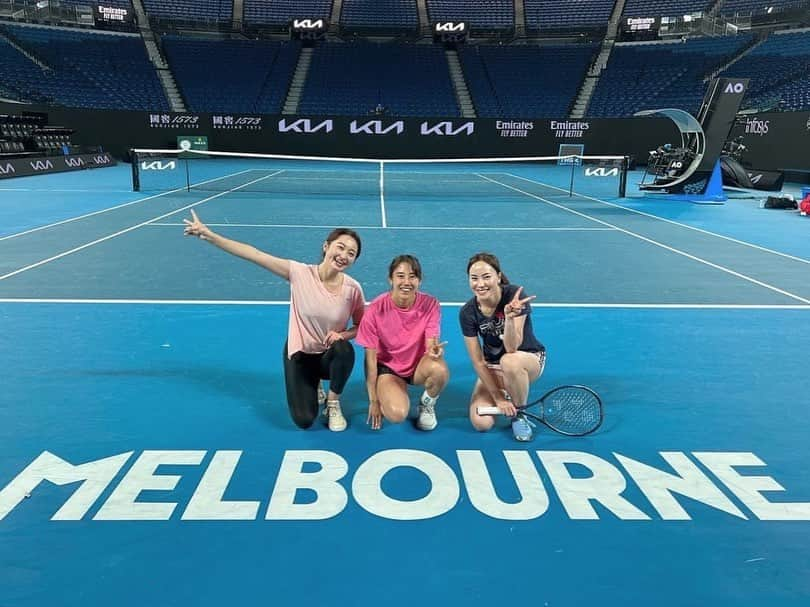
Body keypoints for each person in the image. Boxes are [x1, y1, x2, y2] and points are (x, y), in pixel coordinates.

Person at [183, 209, 365, 431]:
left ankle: (333, 403)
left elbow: (361, 325)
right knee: (304, 420)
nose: (344, 255)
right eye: (341, 247)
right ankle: (312, 381)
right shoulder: (299, 273)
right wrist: (209, 235)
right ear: (326, 246)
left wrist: (343, 335)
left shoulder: (353, 289)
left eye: (351, 253)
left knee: (345, 350)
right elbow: (255, 254)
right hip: (301, 355)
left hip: (329, 355)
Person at [356, 254, 449, 431]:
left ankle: (426, 404)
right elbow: (370, 361)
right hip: (389, 368)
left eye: (412, 276)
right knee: (397, 415)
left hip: (417, 365)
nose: (406, 282)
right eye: (400, 276)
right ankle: (392, 390)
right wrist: (374, 401)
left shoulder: (430, 304)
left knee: (440, 370)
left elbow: (431, 343)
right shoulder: (375, 310)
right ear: (390, 279)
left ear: (419, 281)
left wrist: (433, 352)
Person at [459, 252, 546, 441]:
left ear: (498, 276)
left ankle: (519, 413)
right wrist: (497, 397)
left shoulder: (514, 296)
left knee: (510, 361)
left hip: (525, 358)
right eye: (474, 278)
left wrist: (509, 317)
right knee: (481, 424)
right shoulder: (467, 312)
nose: (480, 284)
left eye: (486, 277)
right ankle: (507, 393)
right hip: (492, 367)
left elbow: (512, 347)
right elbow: (478, 362)